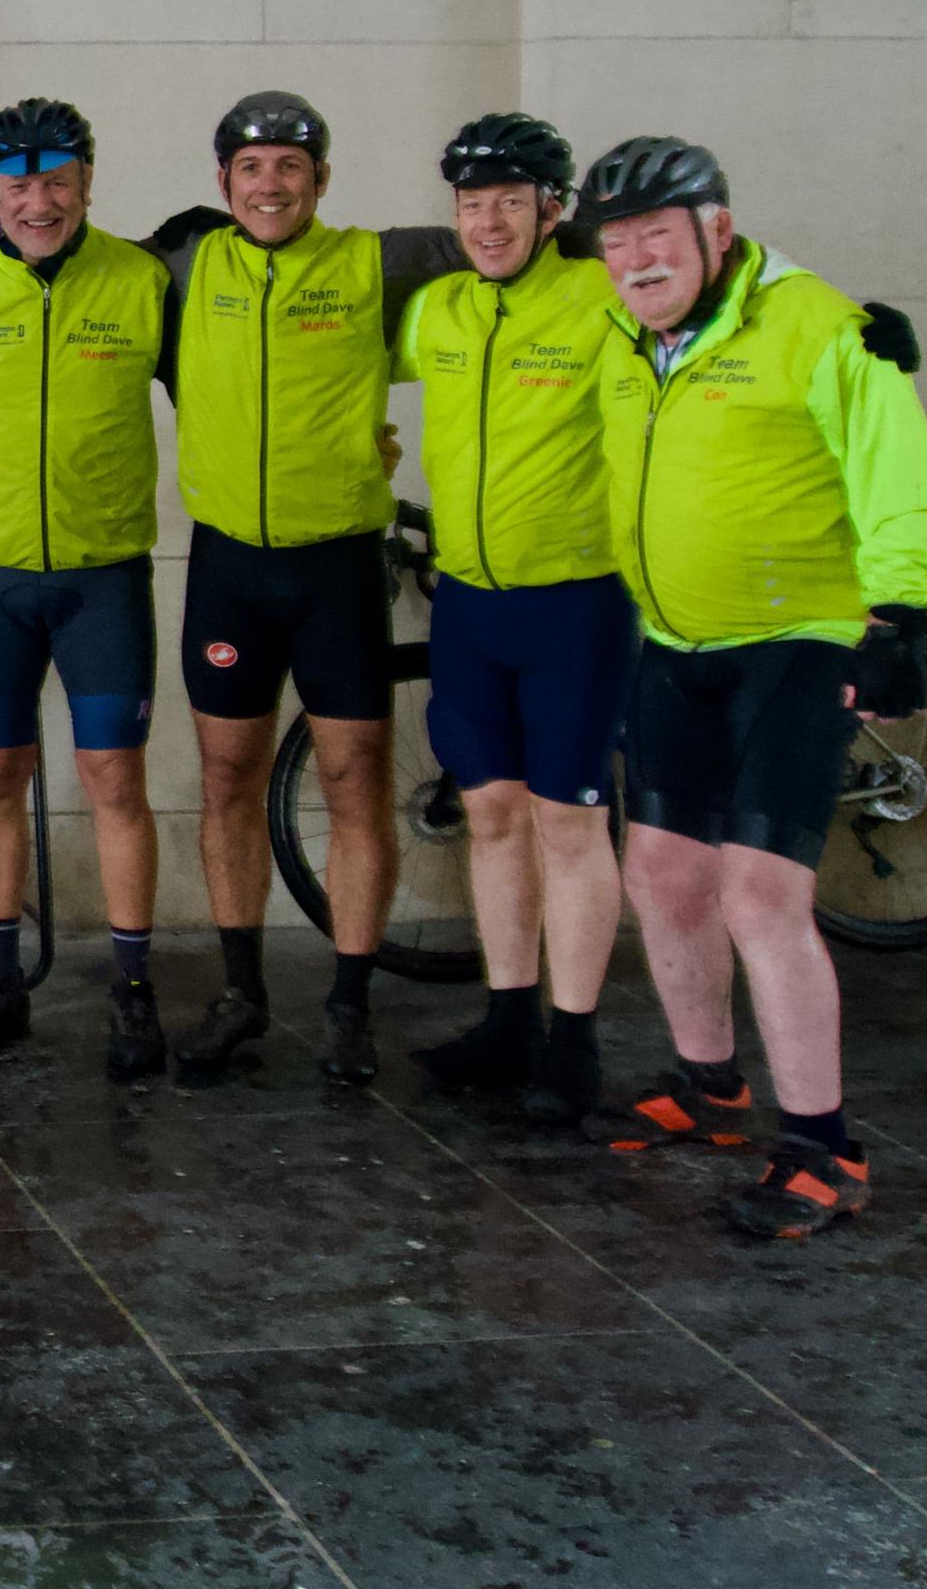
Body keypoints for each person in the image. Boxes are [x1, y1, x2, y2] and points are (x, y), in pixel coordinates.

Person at [576, 136, 927, 1238]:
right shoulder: (615, 332)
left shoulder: (821, 328)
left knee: (759, 896)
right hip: (677, 643)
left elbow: (898, 470)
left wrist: (901, 613)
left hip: (798, 645)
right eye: (617, 243)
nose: (637, 260)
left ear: (718, 232)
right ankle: (711, 1087)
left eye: (658, 236)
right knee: (662, 874)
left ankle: (824, 1146)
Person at [144, 92, 466, 1086]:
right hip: (229, 566)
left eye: (291, 166)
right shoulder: (186, 271)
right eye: (252, 168)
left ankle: (349, 1003)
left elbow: (532, 240)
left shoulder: (376, 263)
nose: (271, 183)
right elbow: (64, 261)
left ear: (321, 179)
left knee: (353, 783)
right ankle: (241, 993)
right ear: (223, 184)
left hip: (335, 568)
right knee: (230, 780)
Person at [0, 98, 174, 1080]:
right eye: (19, 187)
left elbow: (227, 389)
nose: (38, 203)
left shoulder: (143, 283)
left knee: (114, 784)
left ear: (87, 183)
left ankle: (134, 993)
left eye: (57, 183)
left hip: (102, 582)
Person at [385, 116, 633, 1124]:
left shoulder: (600, 298)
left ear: (553, 210)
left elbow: (714, 275)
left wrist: (845, 329)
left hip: (575, 600)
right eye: (472, 205)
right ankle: (509, 1019)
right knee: (489, 817)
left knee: (567, 822)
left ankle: (573, 1047)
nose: (489, 223)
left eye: (510, 203)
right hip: (471, 602)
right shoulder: (440, 309)